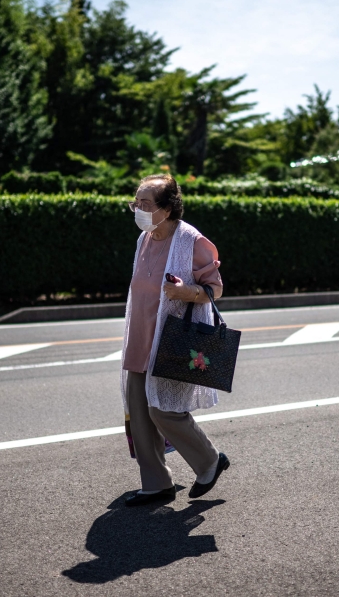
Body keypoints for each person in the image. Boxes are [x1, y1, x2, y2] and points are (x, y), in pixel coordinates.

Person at [120, 174, 230, 506]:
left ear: (167, 209)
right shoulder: (144, 238)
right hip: (140, 338)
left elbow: (216, 288)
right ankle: (156, 484)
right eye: (135, 202)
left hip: (171, 341)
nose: (138, 209)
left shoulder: (191, 241)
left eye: (145, 203)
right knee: (140, 413)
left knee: (164, 411)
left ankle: (210, 460)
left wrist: (186, 292)